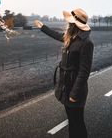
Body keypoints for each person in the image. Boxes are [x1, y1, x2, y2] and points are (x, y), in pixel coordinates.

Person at [34, 8, 94, 138]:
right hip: (65, 88)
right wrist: (42, 27)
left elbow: (84, 72)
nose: (68, 24)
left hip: (75, 90)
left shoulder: (86, 43)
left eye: (70, 22)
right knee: (72, 122)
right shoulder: (70, 38)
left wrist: (74, 94)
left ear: (75, 25)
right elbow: (56, 35)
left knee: (78, 123)